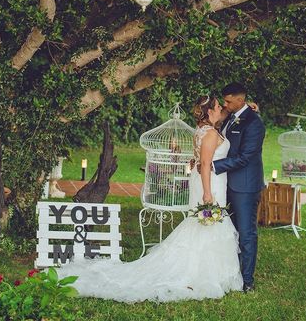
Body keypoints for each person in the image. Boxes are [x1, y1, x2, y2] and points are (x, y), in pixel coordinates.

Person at [57, 95, 242, 302]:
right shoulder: (209, 135)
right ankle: (206, 273)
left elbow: (196, 160)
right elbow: (206, 163)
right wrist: (207, 193)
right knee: (207, 225)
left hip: (208, 181)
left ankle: (211, 269)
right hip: (211, 183)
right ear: (209, 112)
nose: (221, 109)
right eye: (218, 107)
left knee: (203, 225)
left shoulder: (201, 131)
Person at [212, 82, 266, 293]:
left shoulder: (254, 123)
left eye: (228, 101)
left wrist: (213, 166)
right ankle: (230, 271)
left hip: (245, 186)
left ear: (240, 100)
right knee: (229, 230)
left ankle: (247, 280)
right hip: (226, 183)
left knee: (246, 232)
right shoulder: (231, 117)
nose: (225, 104)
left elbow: (244, 158)